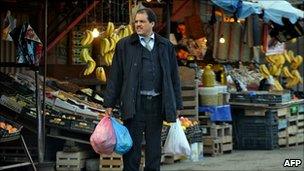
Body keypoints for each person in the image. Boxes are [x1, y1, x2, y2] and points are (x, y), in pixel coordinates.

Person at [103, 8, 183, 171]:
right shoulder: (124, 45)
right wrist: (109, 103)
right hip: (134, 104)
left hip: (156, 104)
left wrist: (177, 104)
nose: (138, 24)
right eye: (136, 21)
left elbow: (174, 77)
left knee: (154, 150)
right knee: (132, 150)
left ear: (152, 23)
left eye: (142, 21)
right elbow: (115, 76)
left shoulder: (165, 46)